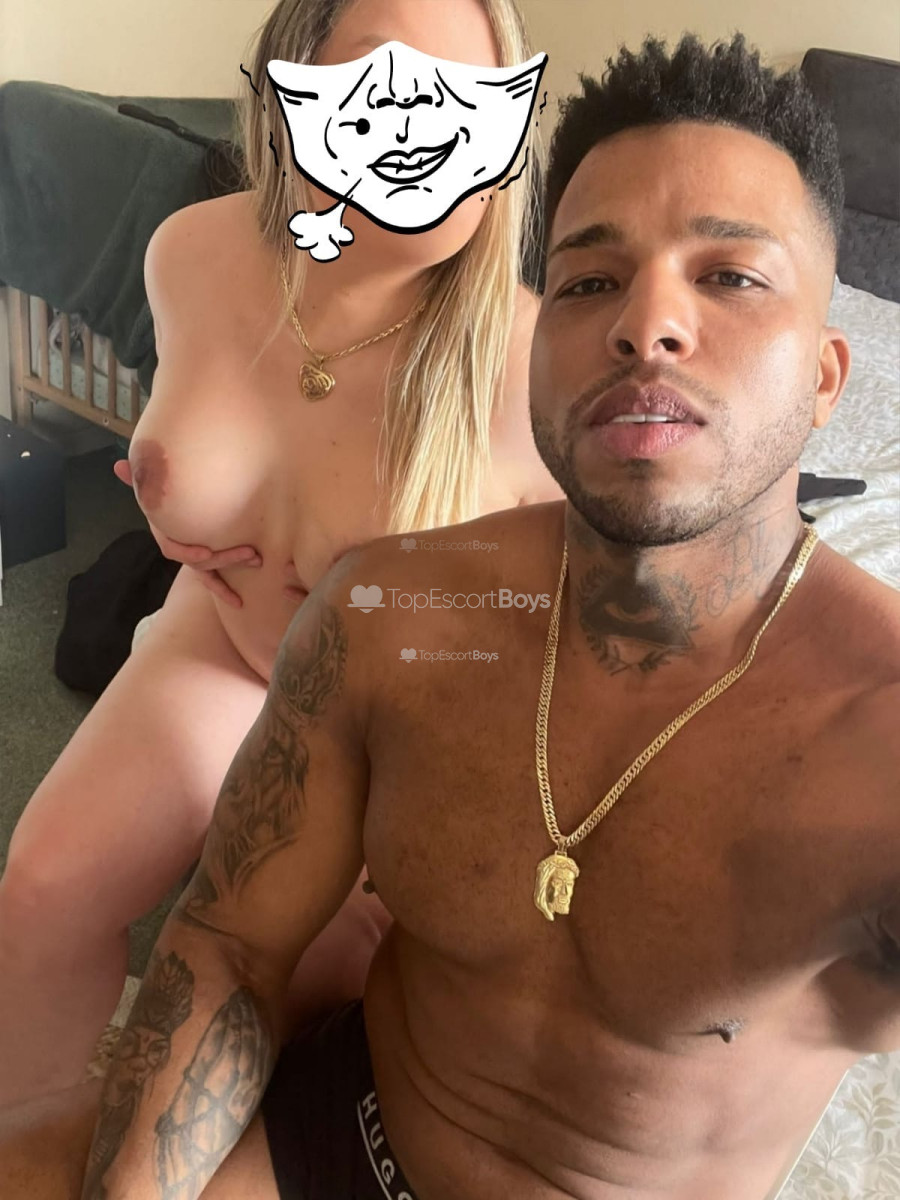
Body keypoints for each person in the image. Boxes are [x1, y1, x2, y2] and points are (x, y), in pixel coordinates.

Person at [4, 30, 899, 1200]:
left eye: (728, 276)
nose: (647, 325)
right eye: (590, 280)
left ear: (827, 374)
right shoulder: (390, 609)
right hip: (337, 1128)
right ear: (541, 347)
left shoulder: (875, 737)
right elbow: (227, 946)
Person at [0, 0, 561, 1110]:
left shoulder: (536, 364)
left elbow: (562, 630)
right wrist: (175, 511)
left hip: (403, 713)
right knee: (44, 885)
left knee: (305, 987)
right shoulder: (190, 254)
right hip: (224, 635)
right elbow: (204, 442)